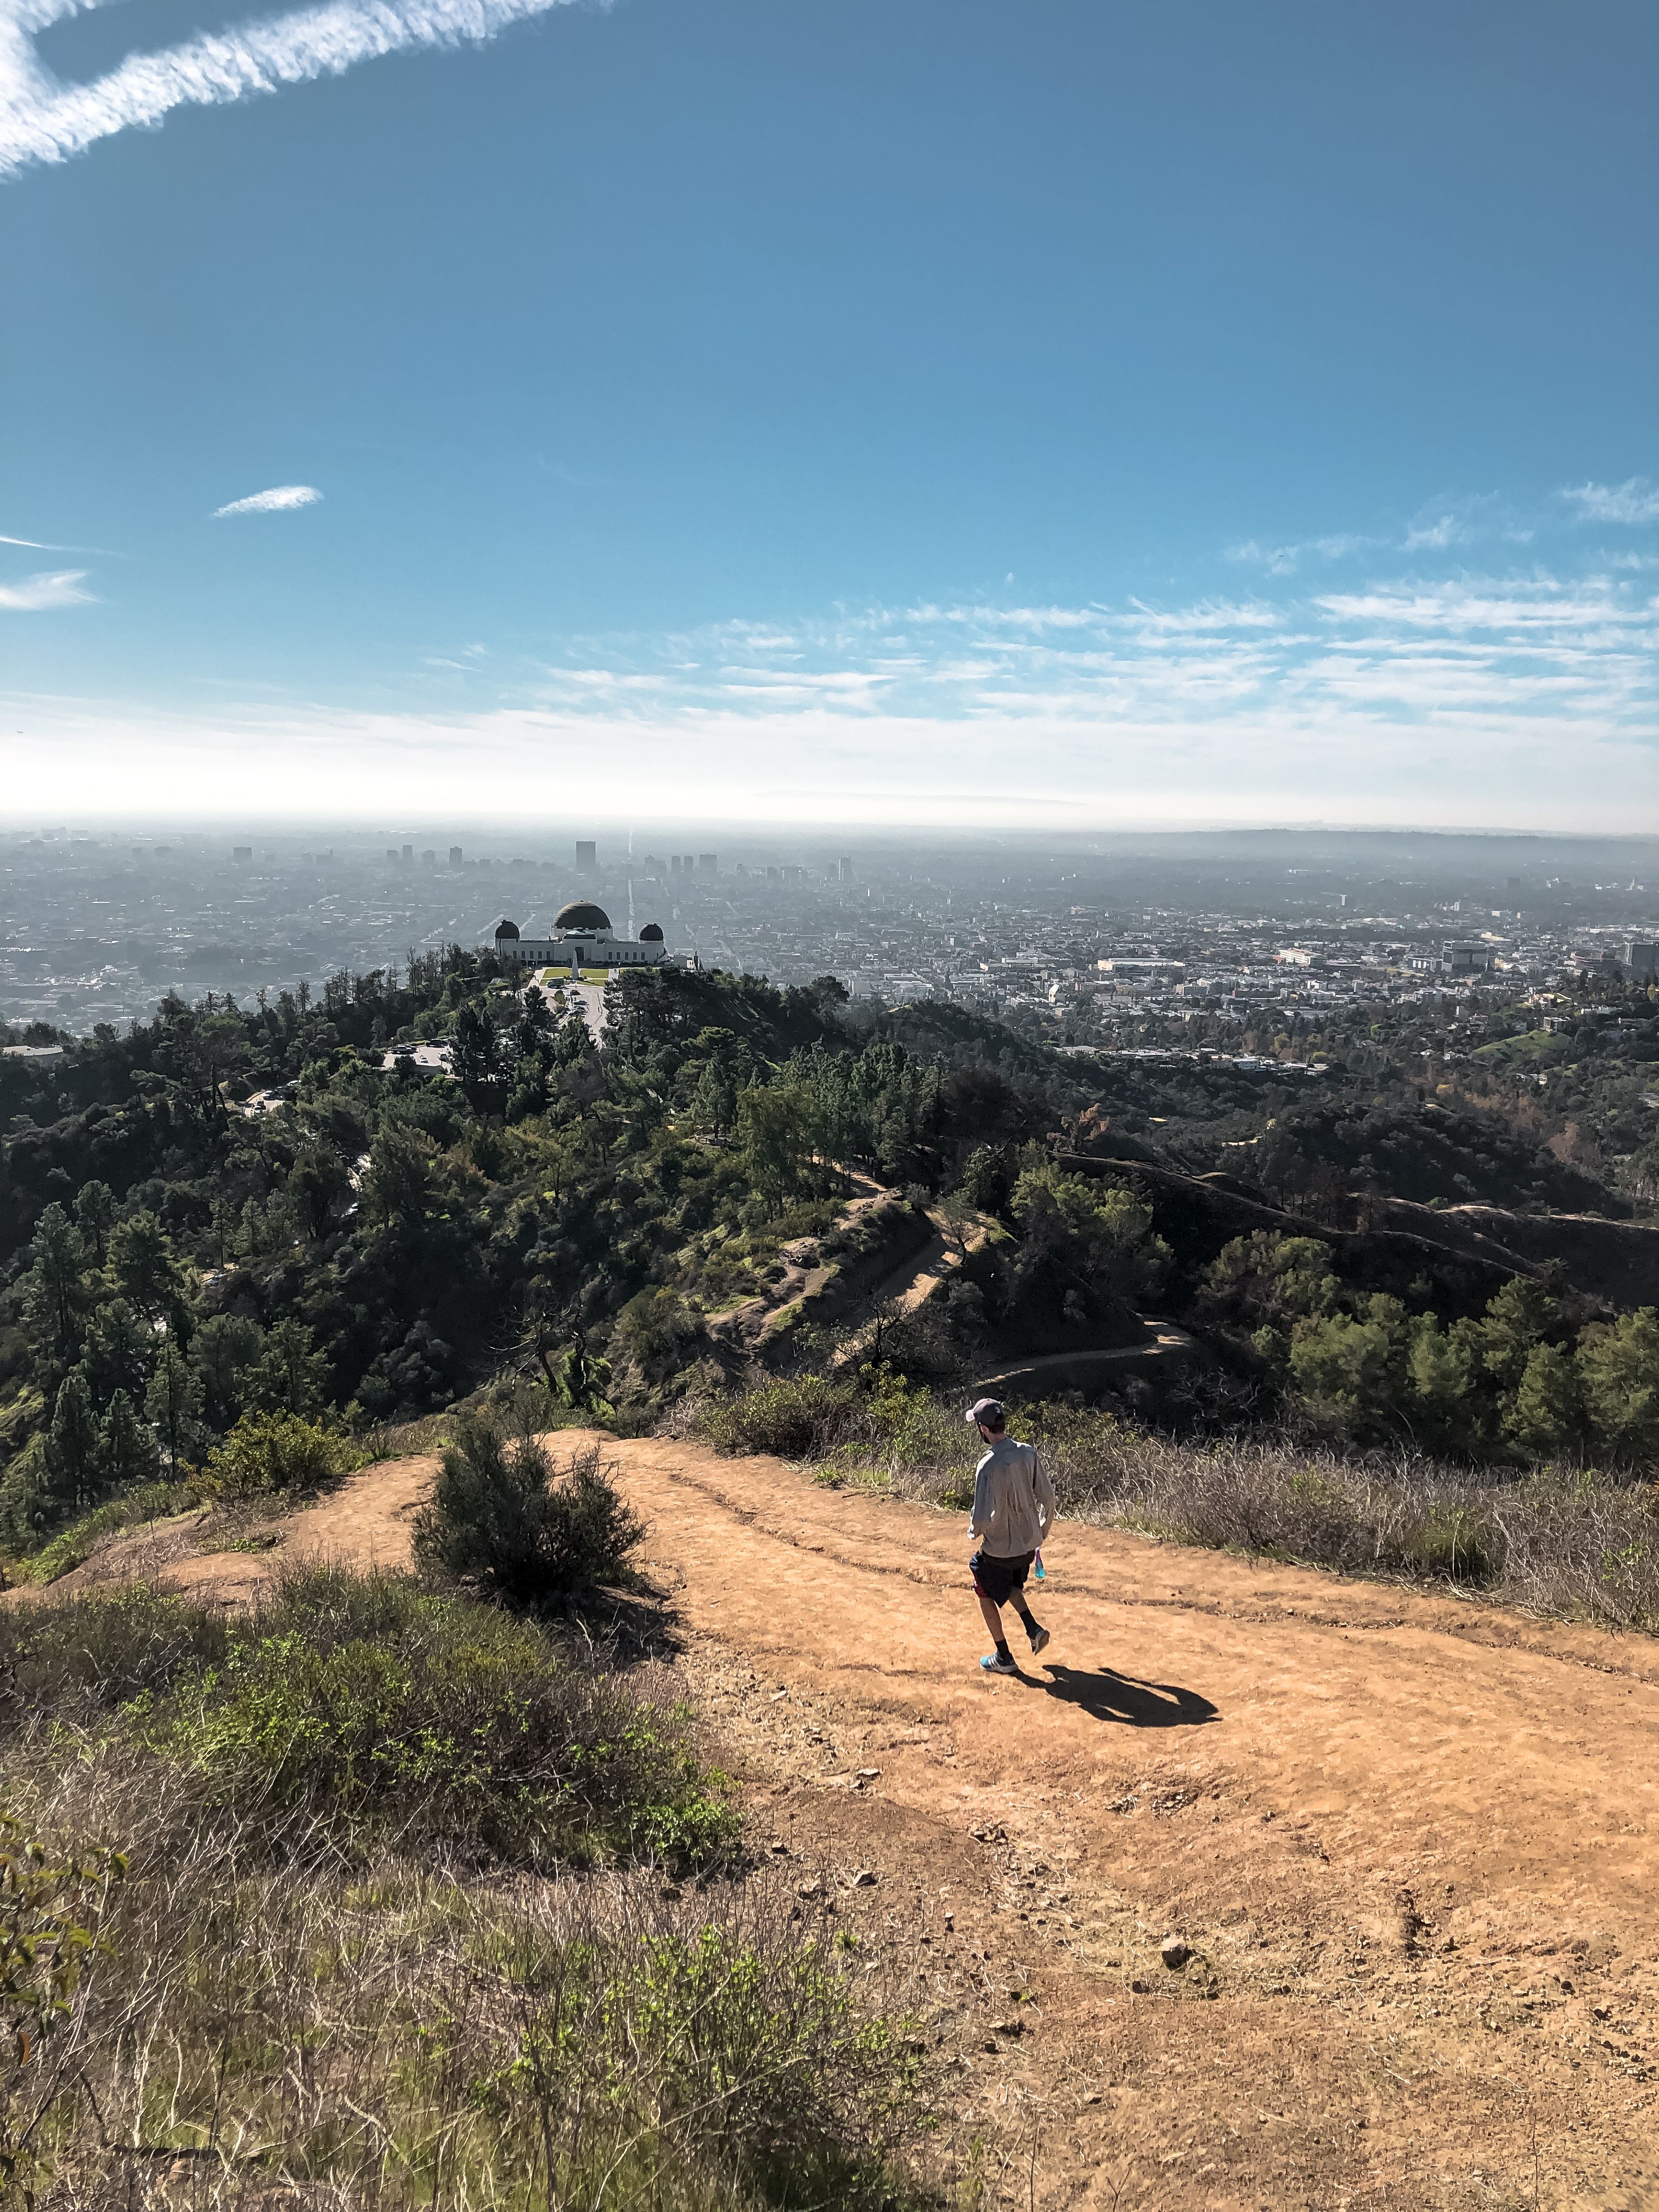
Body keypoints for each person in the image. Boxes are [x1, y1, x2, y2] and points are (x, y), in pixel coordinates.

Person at [964, 1396, 1055, 1674]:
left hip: (1000, 1549)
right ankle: (1033, 1629)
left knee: (982, 1581)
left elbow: (979, 1518)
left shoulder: (987, 1465)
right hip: (1028, 1548)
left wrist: (974, 1533)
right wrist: (1041, 1531)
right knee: (1006, 1583)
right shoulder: (1028, 1453)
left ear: (983, 1428)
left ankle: (1004, 1657)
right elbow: (1049, 1499)